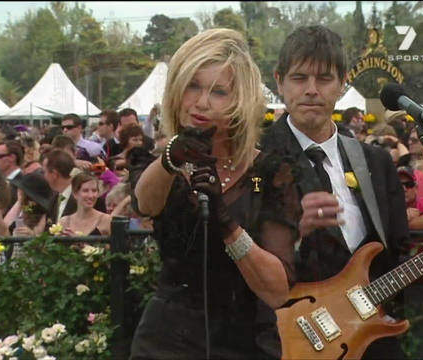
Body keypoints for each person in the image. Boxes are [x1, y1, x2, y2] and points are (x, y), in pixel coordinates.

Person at [259, 25, 423, 359]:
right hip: (281, 340)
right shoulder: (255, 159)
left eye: (324, 78)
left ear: (343, 84)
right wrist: (292, 235)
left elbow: (395, 263)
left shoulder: (374, 162)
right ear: (279, 81)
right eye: (299, 78)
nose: (311, 90)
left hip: (370, 342)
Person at [128, 28, 301, 359]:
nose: (201, 102)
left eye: (219, 92)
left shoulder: (271, 173)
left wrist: (227, 225)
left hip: (243, 340)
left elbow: (277, 290)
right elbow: (145, 203)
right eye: (193, 85)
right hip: (166, 340)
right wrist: (171, 158)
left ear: (240, 103)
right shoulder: (158, 166)